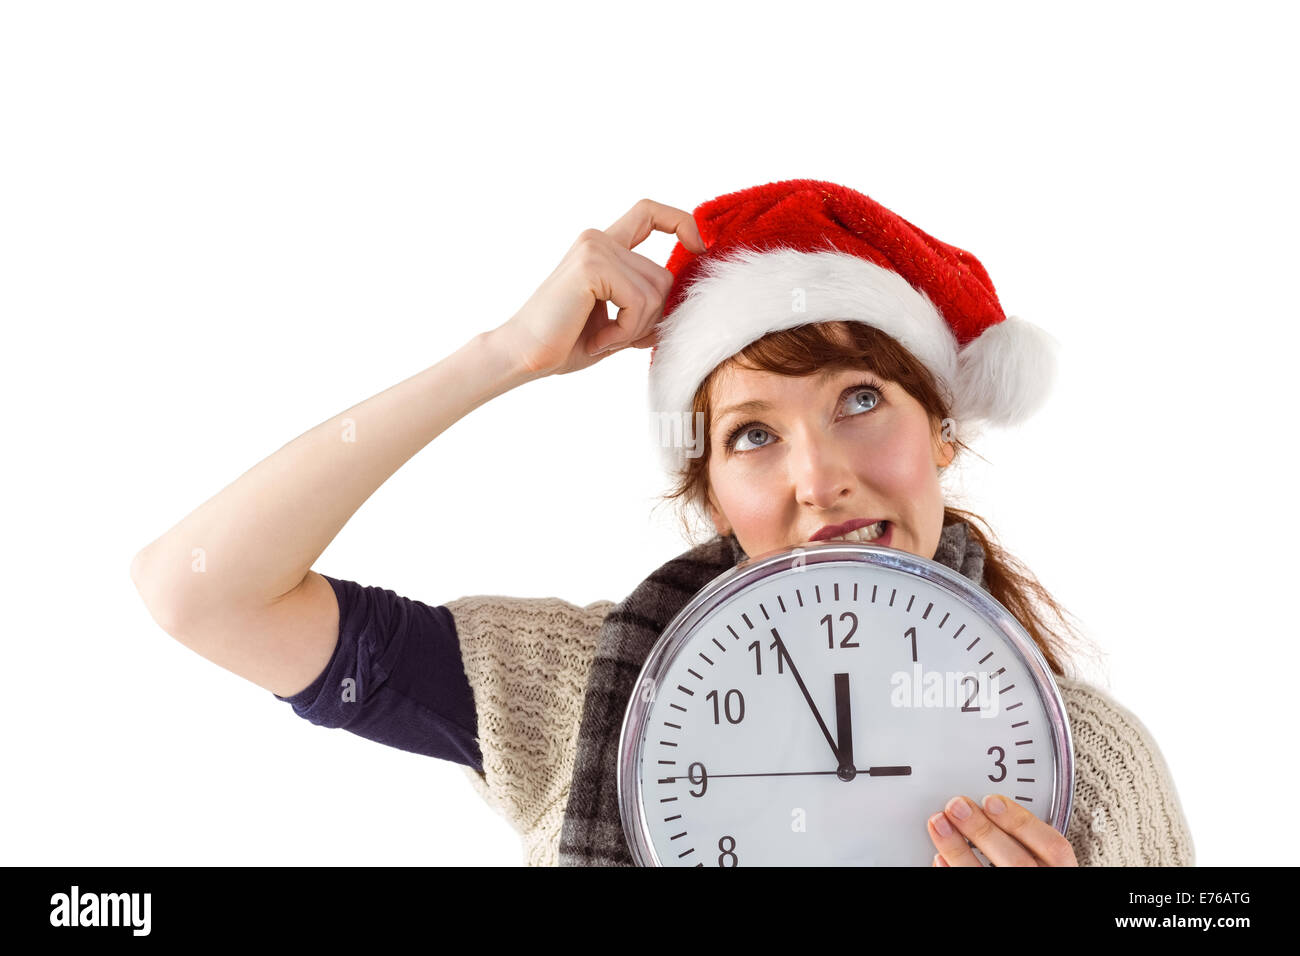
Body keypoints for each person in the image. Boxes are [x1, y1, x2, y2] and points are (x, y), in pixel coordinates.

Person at [130, 179, 1195, 868]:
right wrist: (503, 354)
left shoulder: (1089, 767)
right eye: (751, 435)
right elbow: (200, 588)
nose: (817, 477)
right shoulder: (587, 688)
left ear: (942, 433)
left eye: (859, 399)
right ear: (710, 491)